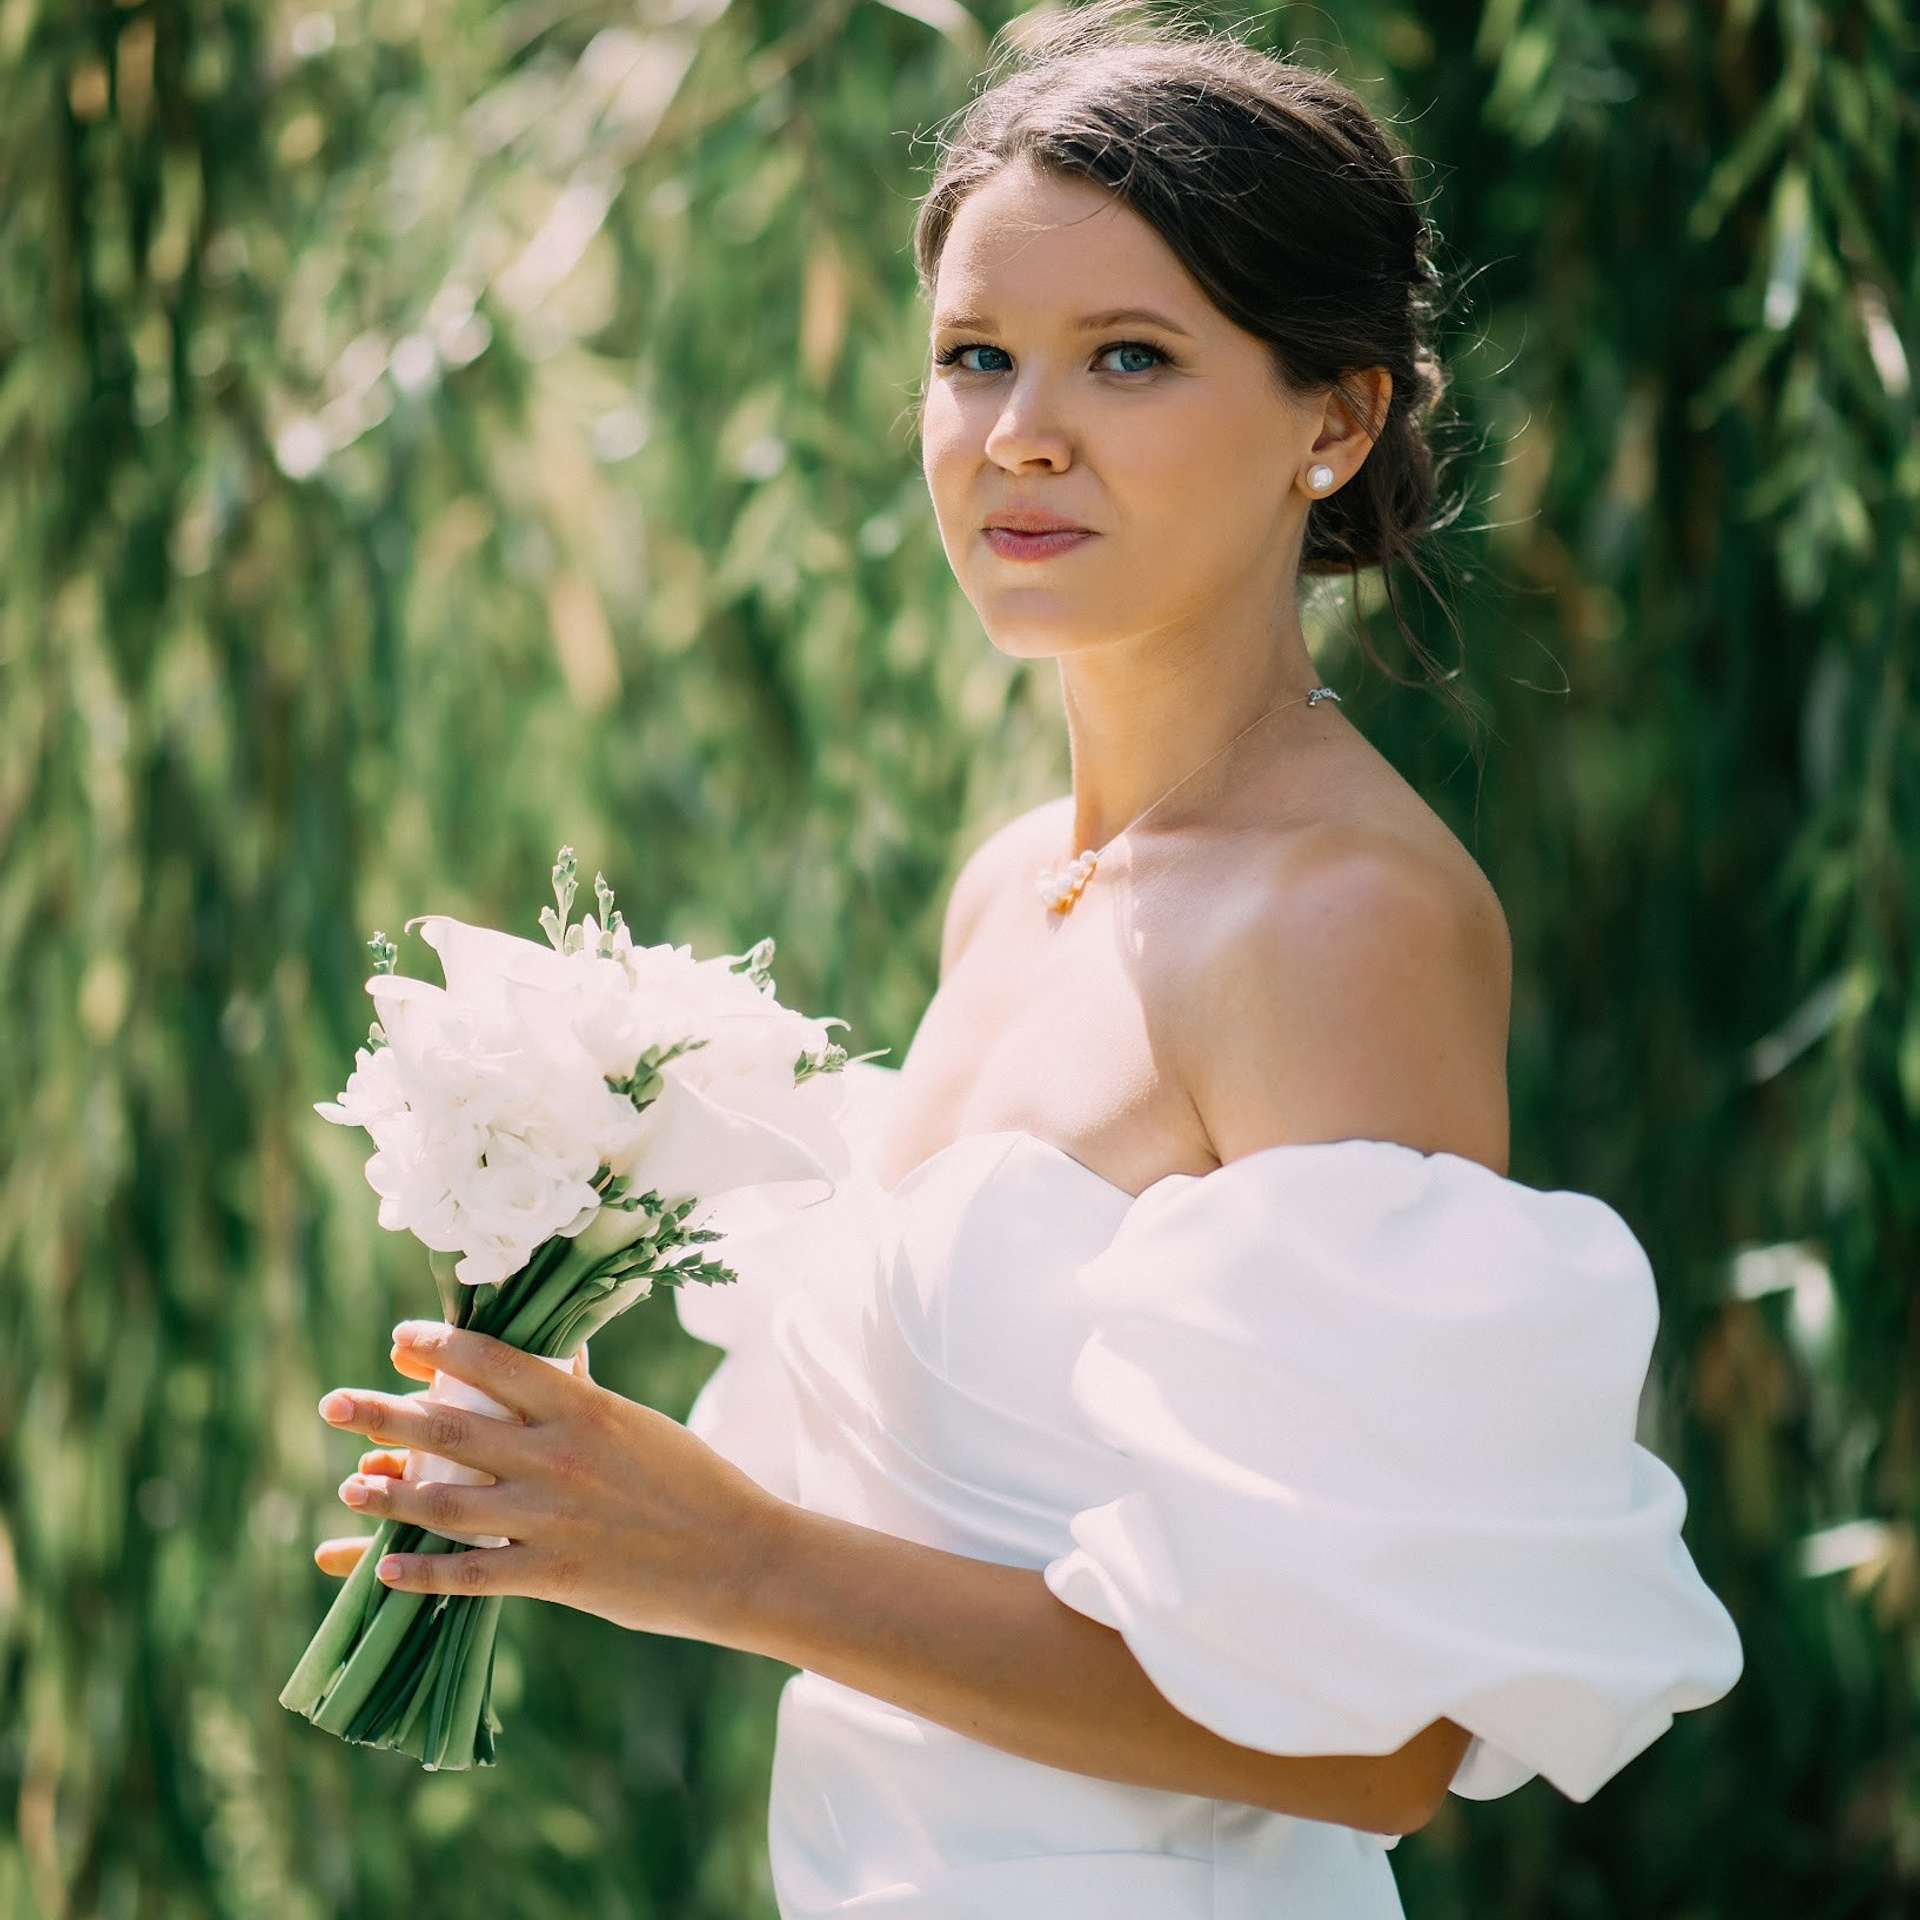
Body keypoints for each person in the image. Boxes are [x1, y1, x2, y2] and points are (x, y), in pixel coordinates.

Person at [312, 9, 1743, 1914]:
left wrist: (728, 1561)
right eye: (973, 357)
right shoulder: (1014, 884)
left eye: (1127, 358)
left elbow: (1380, 1749)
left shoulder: (1342, 920)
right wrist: (573, 1478)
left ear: (1336, 417)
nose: (1018, 435)